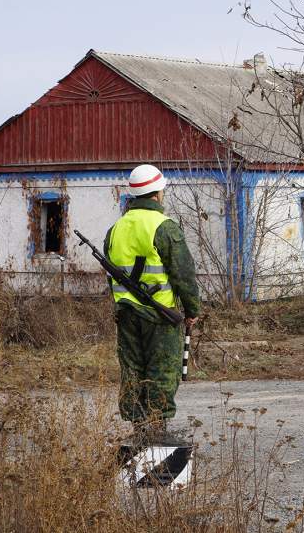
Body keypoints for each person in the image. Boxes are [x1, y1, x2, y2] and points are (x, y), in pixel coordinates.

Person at [104, 164, 201, 444]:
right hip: (160, 316)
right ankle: (157, 432)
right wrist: (192, 310)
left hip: (125, 314)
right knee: (162, 371)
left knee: (133, 369)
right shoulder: (164, 227)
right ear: (158, 194)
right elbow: (184, 274)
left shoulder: (115, 229)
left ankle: (138, 432)